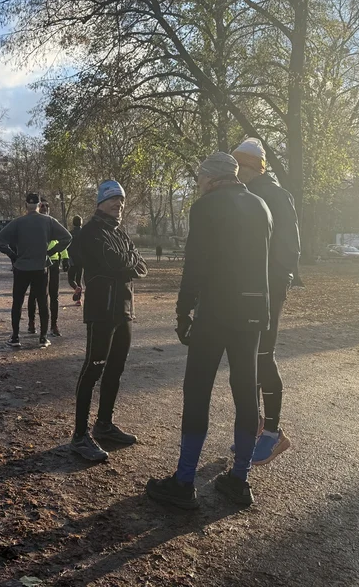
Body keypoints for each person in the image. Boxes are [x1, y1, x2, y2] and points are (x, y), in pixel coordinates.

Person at [145, 153, 272, 510]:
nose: (199, 184)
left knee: (197, 390)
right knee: (247, 392)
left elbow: (195, 263)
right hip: (253, 311)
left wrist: (183, 309)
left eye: (200, 178)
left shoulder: (207, 207)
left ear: (211, 179)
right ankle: (240, 479)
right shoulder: (261, 205)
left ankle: (184, 481)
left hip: (216, 310)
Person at [67, 181, 148, 462]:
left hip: (123, 310)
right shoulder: (90, 232)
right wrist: (129, 260)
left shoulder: (120, 232)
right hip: (101, 311)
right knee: (93, 370)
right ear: (101, 201)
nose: (119, 205)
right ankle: (79, 436)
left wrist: (127, 259)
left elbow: (141, 265)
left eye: (122, 201)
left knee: (115, 369)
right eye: (114, 199)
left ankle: (104, 424)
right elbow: (115, 262)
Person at [232, 137, 299, 465]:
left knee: (262, 354)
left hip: (267, 289)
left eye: (238, 166)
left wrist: (271, 282)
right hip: (249, 289)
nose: (234, 173)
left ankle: (273, 433)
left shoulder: (274, 195)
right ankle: (259, 425)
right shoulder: (248, 195)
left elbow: (290, 250)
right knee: (250, 356)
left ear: (249, 167)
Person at [0, 193, 72, 349]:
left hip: (21, 267)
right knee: (43, 302)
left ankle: (15, 336)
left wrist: (13, 256)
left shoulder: (18, 222)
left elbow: (0, 239)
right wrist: (50, 253)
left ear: (25, 205)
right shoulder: (48, 221)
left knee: (18, 302)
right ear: (40, 205)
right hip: (40, 267)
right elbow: (67, 237)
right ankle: (43, 338)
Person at [28, 201, 68, 337]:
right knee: (35, 293)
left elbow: (62, 240)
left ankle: (54, 325)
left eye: (47, 206)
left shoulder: (53, 222)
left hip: (54, 262)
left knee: (54, 295)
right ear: (38, 208)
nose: (44, 208)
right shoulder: (33, 223)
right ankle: (32, 322)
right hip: (37, 263)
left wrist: (65, 257)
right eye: (42, 206)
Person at [67, 215, 84, 306]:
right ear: (81, 223)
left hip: (72, 259)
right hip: (81, 260)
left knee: (70, 278)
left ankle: (75, 287)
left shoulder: (70, 233)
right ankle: (78, 300)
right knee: (79, 279)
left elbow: (67, 247)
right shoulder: (84, 233)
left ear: (73, 223)